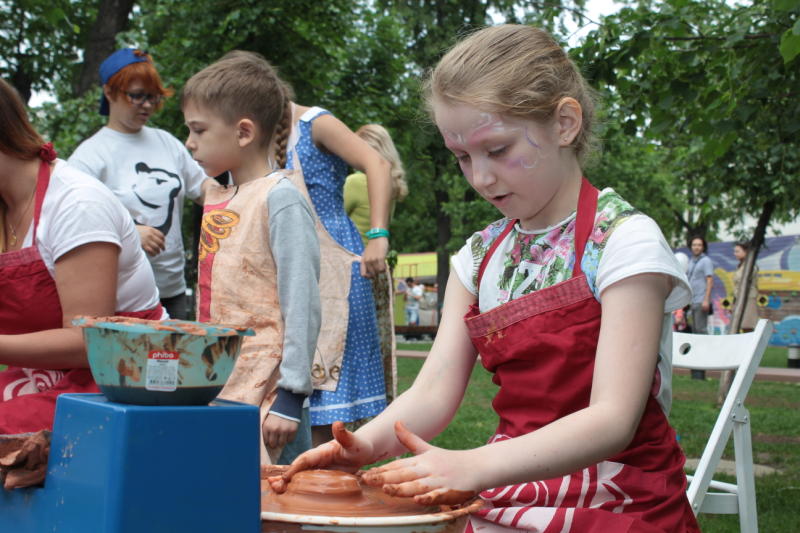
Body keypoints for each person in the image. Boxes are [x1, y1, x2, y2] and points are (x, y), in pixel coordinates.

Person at [272, 24, 700, 533]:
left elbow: (612, 419)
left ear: (564, 123)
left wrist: (472, 465)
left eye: (496, 150)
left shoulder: (623, 241)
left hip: (622, 499)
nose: (480, 177)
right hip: (505, 492)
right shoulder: (479, 257)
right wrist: (367, 445)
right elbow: (433, 389)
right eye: (462, 157)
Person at [181, 51, 326, 465]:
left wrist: (291, 395)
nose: (189, 143)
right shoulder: (218, 194)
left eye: (198, 130)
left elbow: (303, 303)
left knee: (273, 508)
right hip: (219, 383)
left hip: (268, 399)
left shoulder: (279, 198)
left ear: (243, 132)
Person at [0, 78, 163, 435]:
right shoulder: (6, 205)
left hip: (119, 375)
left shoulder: (77, 204)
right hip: (43, 376)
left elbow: (88, 343)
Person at [278, 77, 393, 446]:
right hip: (284, 265)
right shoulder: (254, 135)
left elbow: (376, 163)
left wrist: (378, 234)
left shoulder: (314, 122)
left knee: (330, 406)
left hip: (333, 269)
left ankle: (329, 490)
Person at [69, 48, 212, 320]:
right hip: (123, 298)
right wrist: (131, 233)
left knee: (178, 363)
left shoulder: (166, 142)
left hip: (173, 292)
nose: (147, 105)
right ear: (109, 93)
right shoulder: (91, 155)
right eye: (137, 95)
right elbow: (72, 219)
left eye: (153, 97)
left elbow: (204, 189)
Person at [344, 124, 409, 405]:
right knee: (373, 350)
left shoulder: (356, 181)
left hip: (352, 271)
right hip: (378, 273)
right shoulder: (391, 186)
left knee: (348, 353)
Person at [687, 236, 713, 378]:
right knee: (695, 332)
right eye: (694, 244)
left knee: (701, 332)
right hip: (692, 301)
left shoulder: (705, 261)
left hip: (700, 300)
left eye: (699, 245)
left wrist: (706, 300)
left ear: (703, 247)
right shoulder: (691, 261)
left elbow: (710, 280)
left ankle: (703, 365)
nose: (696, 247)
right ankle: (696, 367)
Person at [732, 240, 759, 332]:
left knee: (747, 326)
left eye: (737, 251)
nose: (735, 254)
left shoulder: (751, 266)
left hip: (748, 299)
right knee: (739, 325)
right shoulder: (740, 266)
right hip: (739, 299)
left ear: (746, 251)